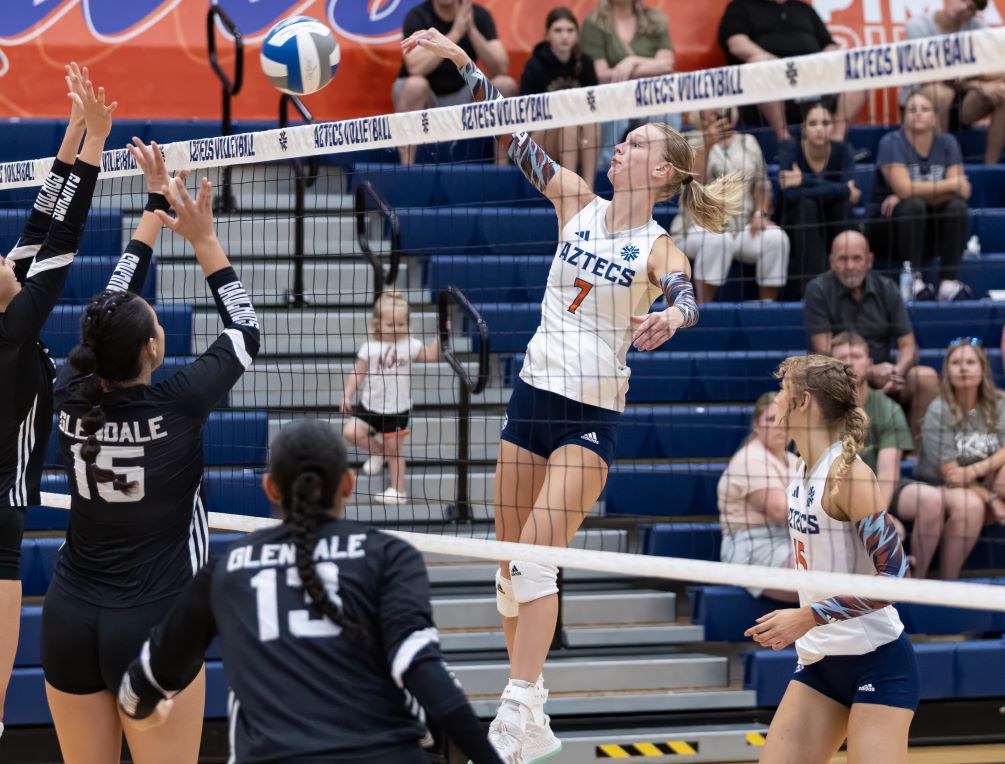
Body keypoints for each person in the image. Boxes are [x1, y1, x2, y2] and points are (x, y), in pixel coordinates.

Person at [400, 25, 741, 763]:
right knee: (506, 565)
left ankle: (515, 707)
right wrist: (464, 64)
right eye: (623, 140)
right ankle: (530, 703)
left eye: (637, 143)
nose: (620, 146)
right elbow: (512, 135)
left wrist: (672, 316)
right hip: (530, 397)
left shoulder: (657, 248)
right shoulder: (573, 198)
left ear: (661, 172)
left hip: (589, 414)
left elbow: (685, 295)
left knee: (534, 558)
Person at [116, 419, 503, 764]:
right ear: (348, 484)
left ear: (270, 488)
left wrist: (144, 711)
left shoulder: (227, 569)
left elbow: (139, 687)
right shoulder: (389, 556)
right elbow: (428, 677)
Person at [42, 161, 260, 763]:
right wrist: (203, 238)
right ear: (153, 350)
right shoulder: (182, 401)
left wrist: (149, 221)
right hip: (152, 626)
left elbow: (111, 307)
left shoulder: (66, 391)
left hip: (68, 618)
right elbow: (245, 329)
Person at [0, 63, 112, 739]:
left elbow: (41, 225)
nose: (4, 257)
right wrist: (97, 145)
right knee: (6, 575)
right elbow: (63, 237)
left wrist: (72, 136)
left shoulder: (10, 305)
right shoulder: (16, 328)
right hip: (3, 494)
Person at [745, 354, 916, 764]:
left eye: (782, 393)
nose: (774, 405)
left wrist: (807, 616)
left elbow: (894, 577)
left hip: (877, 661)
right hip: (820, 662)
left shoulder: (847, 473)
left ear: (803, 402)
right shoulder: (800, 468)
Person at [804, 230, 939, 441]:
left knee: (926, 378)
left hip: (886, 377)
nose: (850, 266)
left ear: (869, 260)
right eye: (843, 259)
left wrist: (897, 371)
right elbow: (824, 350)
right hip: (838, 377)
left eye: (856, 258)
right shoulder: (817, 289)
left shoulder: (887, 288)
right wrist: (867, 371)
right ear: (832, 262)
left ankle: (913, 454)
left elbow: (908, 345)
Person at [830, 332, 946, 578]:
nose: (850, 361)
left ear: (869, 364)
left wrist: (877, 516)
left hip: (881, 489)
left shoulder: (887, 408)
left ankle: (917, 580)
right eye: (842, 357)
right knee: (892, 530)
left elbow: (888, 473)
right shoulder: (823, 412)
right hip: (838, 494)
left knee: (931, 501)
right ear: (832, 367)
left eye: (856, 356)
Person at [671, 107, 789, 302]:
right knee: (718, 239)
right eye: (715, 112)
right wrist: (707, 146)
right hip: (698, 226)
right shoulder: (688, 140)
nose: (721, 115)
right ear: (701, 115)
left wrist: (760, 213)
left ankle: (766, 308)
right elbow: (690, 188)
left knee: (777, 239)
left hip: (743, 226)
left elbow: (762, 185)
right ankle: (703, 308)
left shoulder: (748, 141)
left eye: (725, 112)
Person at [865, 91, 972, 302]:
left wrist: (911, 191)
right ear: (903, 116)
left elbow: (964, 191)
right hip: (889, 229)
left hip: (928, 230)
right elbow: (905, 189)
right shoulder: (891, 142)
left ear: (935, 117)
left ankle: (948, 283)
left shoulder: (947, 142)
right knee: (913, 205)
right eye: (912, 110)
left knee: (957, 207)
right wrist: (948, 185)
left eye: (925, 109)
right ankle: (911, 279)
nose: (918, 114)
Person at [914, 338, 1005, 579]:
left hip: (978, 479)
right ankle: (948, 582)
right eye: (956, 363)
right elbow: (951, 474)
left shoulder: (999, 402)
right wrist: (991, 497)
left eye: (970, 362)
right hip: (939, 485)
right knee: (971, 506)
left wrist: (976, 471)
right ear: (947, 371)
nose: (963, 368)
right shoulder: (938, 409)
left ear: (983, 368)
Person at [341, 290, 440, 506]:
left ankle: (398, 490)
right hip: (370, 405)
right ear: (378, 324)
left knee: (396, 451)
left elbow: (431, 357)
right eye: (391, 325)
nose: (397, 329)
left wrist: (441, 336)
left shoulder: (410, 344)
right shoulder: (370, 347)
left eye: (401, 324)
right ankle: (378, 452)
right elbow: (357, 373)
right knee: (350, 432)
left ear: (407, 324)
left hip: (398, 409)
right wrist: (347, 394)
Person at [717, 0, 867, 142]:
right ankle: (784, 140)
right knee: (760, 64)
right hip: (772, 82)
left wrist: (832, 56)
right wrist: (779, 65)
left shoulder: (804, 9)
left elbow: (829, 45)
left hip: (814, 80)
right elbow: (736, 44)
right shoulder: (740, 7)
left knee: (857, 69)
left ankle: (836, 142)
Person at [393, 0, 516, 165]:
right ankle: (406, 167)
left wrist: (471, 31)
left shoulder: (477, 15)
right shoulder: (418, 16)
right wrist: (455, 33)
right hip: (428, 101)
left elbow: (501, 67)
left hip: (465, 99)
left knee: (505, 84)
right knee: (415, 85)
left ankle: (501, 168)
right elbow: (415, 67)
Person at [902, 0, 1005, 165]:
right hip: (921, 99)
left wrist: (981, 79)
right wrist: (979, 85)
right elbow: (932, 73)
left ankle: (990, 165)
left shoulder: (977, 27)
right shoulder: (918, 25)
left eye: (970, 7)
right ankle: (941, 165)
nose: (963, 8)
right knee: (940, 93)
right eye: (962, 0)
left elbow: (993, 68)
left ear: (974, 14)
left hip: (961, 102)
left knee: (1002, 91)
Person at [717, 392, 798, 602]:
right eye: (771, 419)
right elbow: (781, 511)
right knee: (820, 579)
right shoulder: (750, 458)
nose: (779, 425)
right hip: (753, 544)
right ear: (756, 426)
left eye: (784, 418)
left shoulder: (793, 460)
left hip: (789, 540)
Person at [580, 0, 678, 166]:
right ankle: (605, 172)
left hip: (650, 97)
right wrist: (648, 67)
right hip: (613, 99)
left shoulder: (656, 19)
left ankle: (662, 168)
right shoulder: (594, 23)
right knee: (613, 121)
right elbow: (601, 74)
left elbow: (667, 64)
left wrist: (631, 62)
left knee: (669, 117)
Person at [777, 102, 860, 295]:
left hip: (832, 218)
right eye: (813, 123)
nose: (820, 129)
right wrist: (840, 189)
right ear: (804, 128)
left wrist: (804, 180)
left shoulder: (843, 150)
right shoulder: (790, 149)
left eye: (825, 123)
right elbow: (790, 195)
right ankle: (816, 290)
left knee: (841, 205)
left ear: (833, 127)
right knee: (807, 206)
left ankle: (848, 285)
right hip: (795, 221)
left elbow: (854, 195)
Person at [520, 8, 600, 191]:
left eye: (570, 30)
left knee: (592, 121)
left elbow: (595, 105)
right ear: (547, 34)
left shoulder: (585, 63)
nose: (564, 36)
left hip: (578, 141)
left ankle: (588, 189)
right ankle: (569, 190)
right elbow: (525, 115)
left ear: (577, 35)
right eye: (558, 30)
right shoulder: (534, 65)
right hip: (540, 141)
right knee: (567, 118)